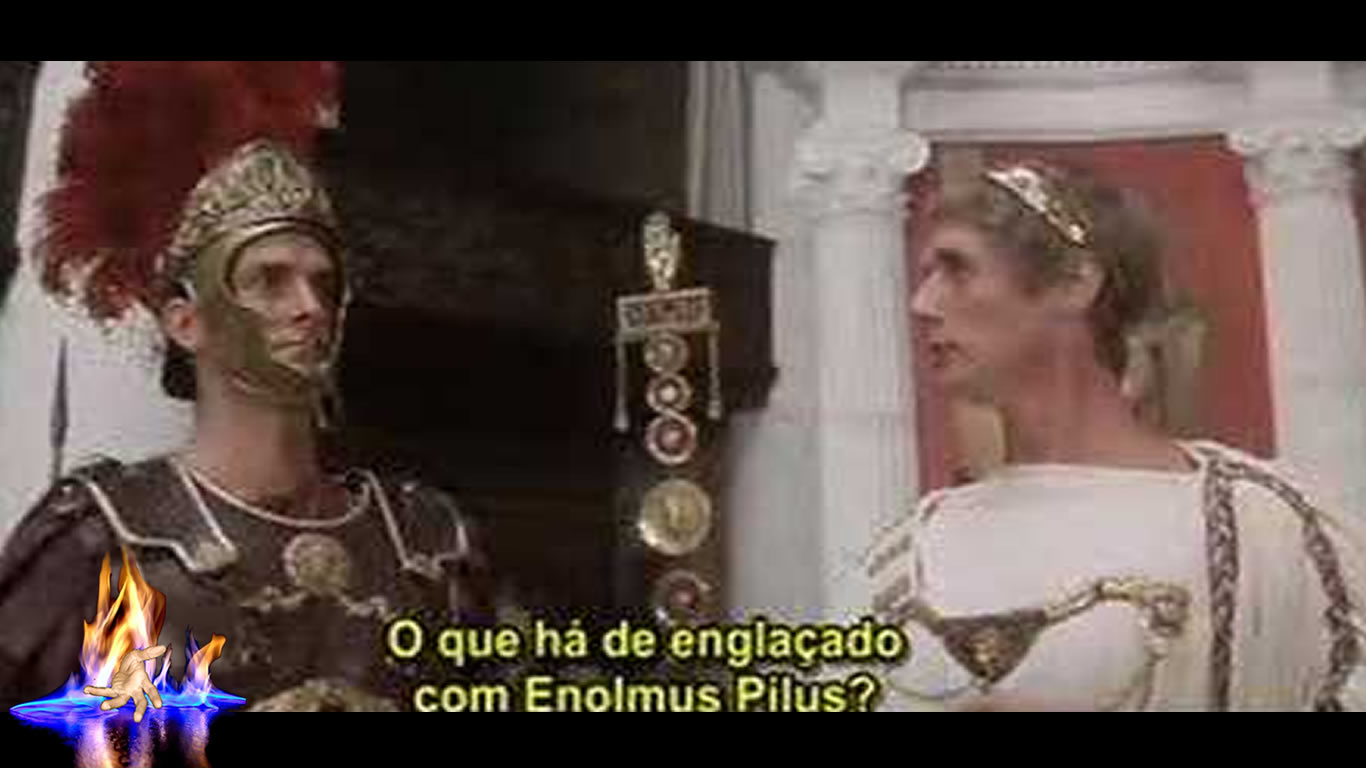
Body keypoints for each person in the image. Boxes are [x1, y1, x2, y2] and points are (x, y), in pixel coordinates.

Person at [0, 61, 494, 713]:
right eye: (270, 280)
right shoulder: (103, 539)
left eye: (324, 284)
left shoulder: (427, 541)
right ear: (186, 321)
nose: (309, 306)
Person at [865, 160, 1366, 711]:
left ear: (1075, 283)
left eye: (956, 269)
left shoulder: (1263, 525)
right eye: (926, 276)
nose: (922, 304)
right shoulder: (911, 551)